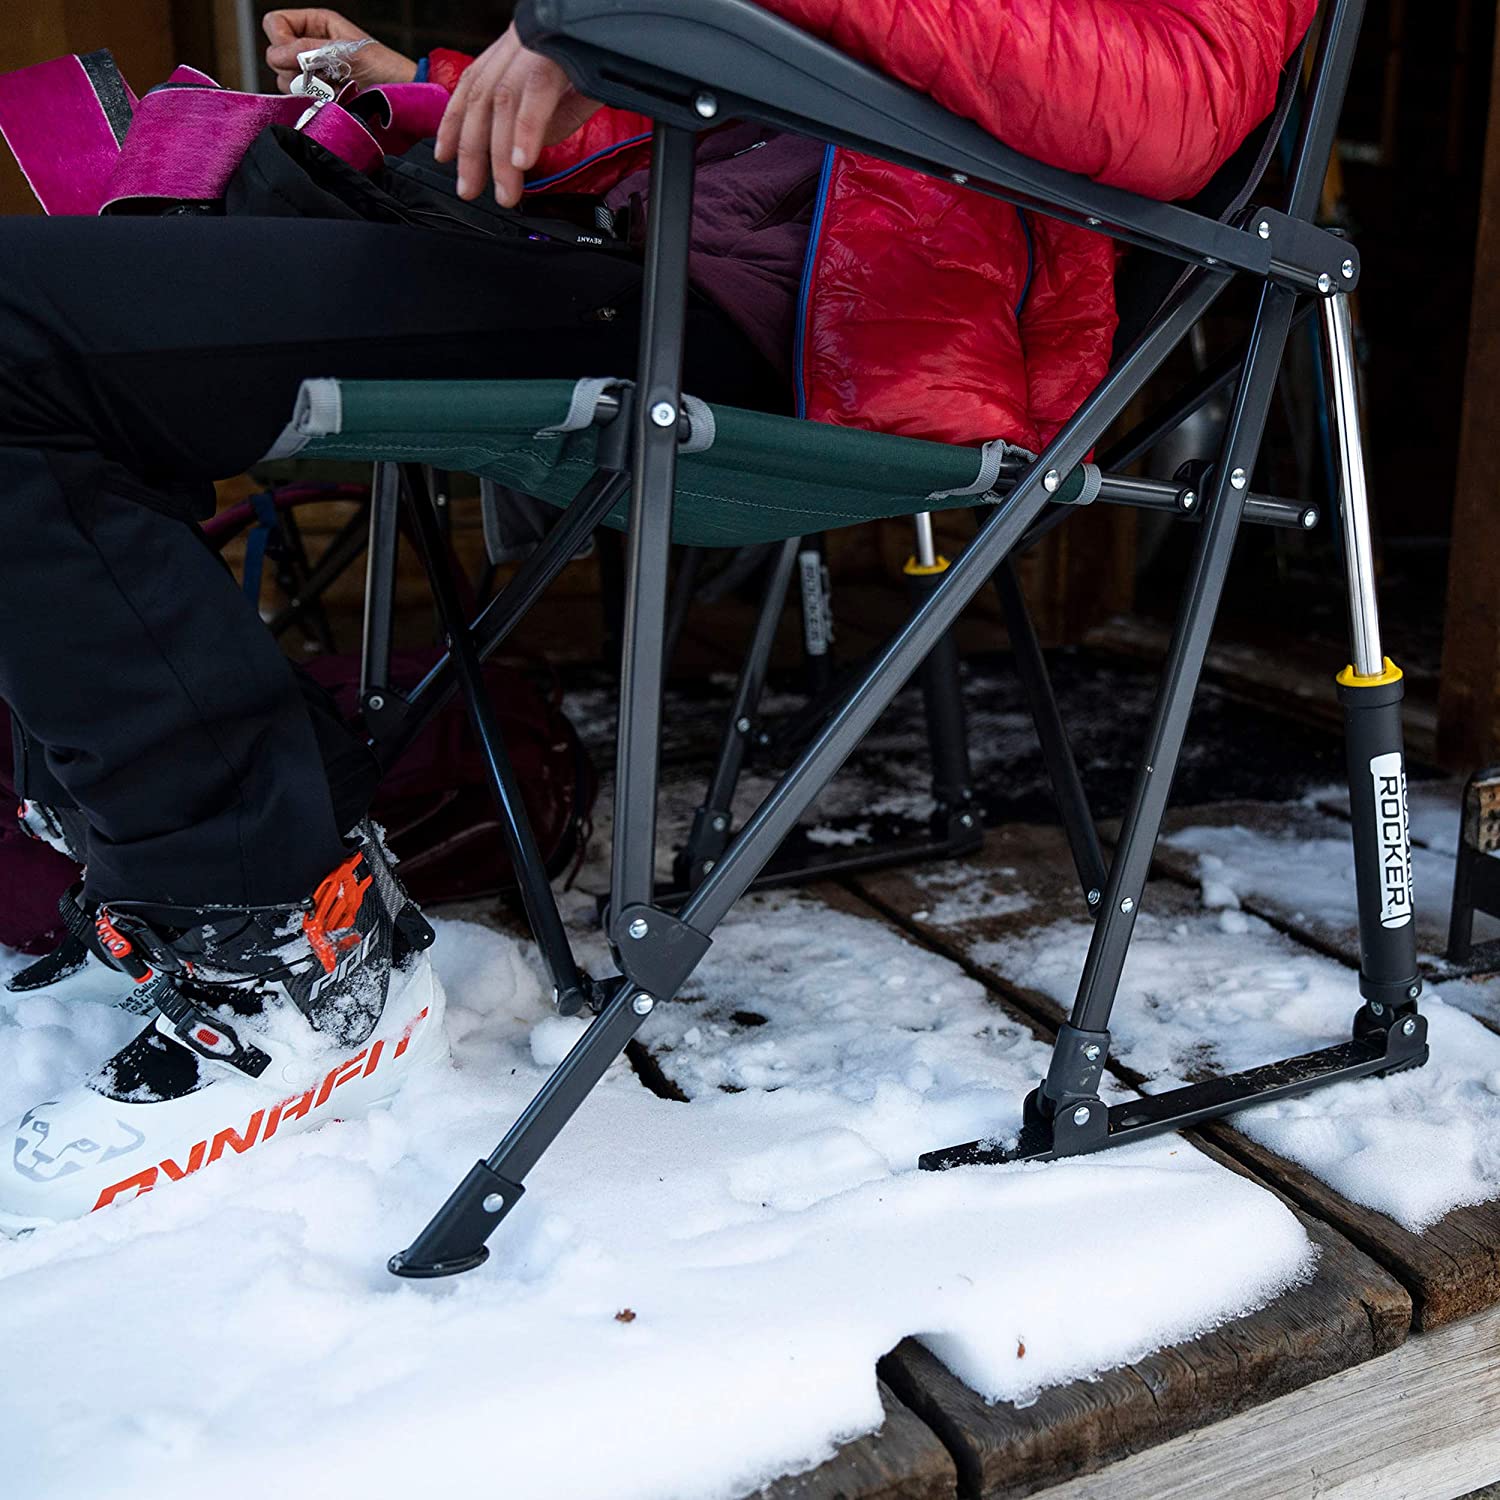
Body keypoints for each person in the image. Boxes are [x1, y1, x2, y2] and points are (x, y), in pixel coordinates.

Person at [0, 0, 1315, 1228]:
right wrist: (433, 88)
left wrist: (619, 15)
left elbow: (1174, 104)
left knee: (20, 339)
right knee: (62, 302)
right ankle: (268, 876)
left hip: (795, 346)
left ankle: (274, 947)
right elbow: (752, 103)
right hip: (629, 261)